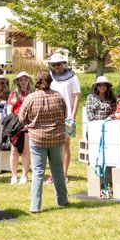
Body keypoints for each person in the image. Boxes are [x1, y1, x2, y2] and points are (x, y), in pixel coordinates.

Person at [19, 71, 68, 213]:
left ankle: (35, 206)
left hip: (37, 138)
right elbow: (65, 114)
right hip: (57, 138)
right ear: (50, 81)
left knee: (38, 172)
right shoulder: (58, 96)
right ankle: (62, 201)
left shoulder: (31, 98)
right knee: (58, 170)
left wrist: (30, 123)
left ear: (37, 82)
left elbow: (21, 118)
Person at [48, 53, 80, 182]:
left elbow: (77, 96)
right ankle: (53, 174)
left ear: (63, 64)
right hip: (53, 116)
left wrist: (73, 115)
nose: (57, 67)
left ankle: (64, 174)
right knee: (52, 146)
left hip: (68, 116)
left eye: (59, 64)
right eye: (54, 65)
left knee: (66, 145)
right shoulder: (51, 77)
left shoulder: (73, 77)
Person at [6, 71, 32, 184]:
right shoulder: (14, 94)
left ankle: (24, 175)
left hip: (28, 125)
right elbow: (9, 111)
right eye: (21, 80)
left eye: (25, 79)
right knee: (14, 151)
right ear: (18, 82)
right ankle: (14, 175)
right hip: (16, 125)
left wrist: (27, 125)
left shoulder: (32, 94)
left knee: (26, 151)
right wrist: (16, 124)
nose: (24, 82)